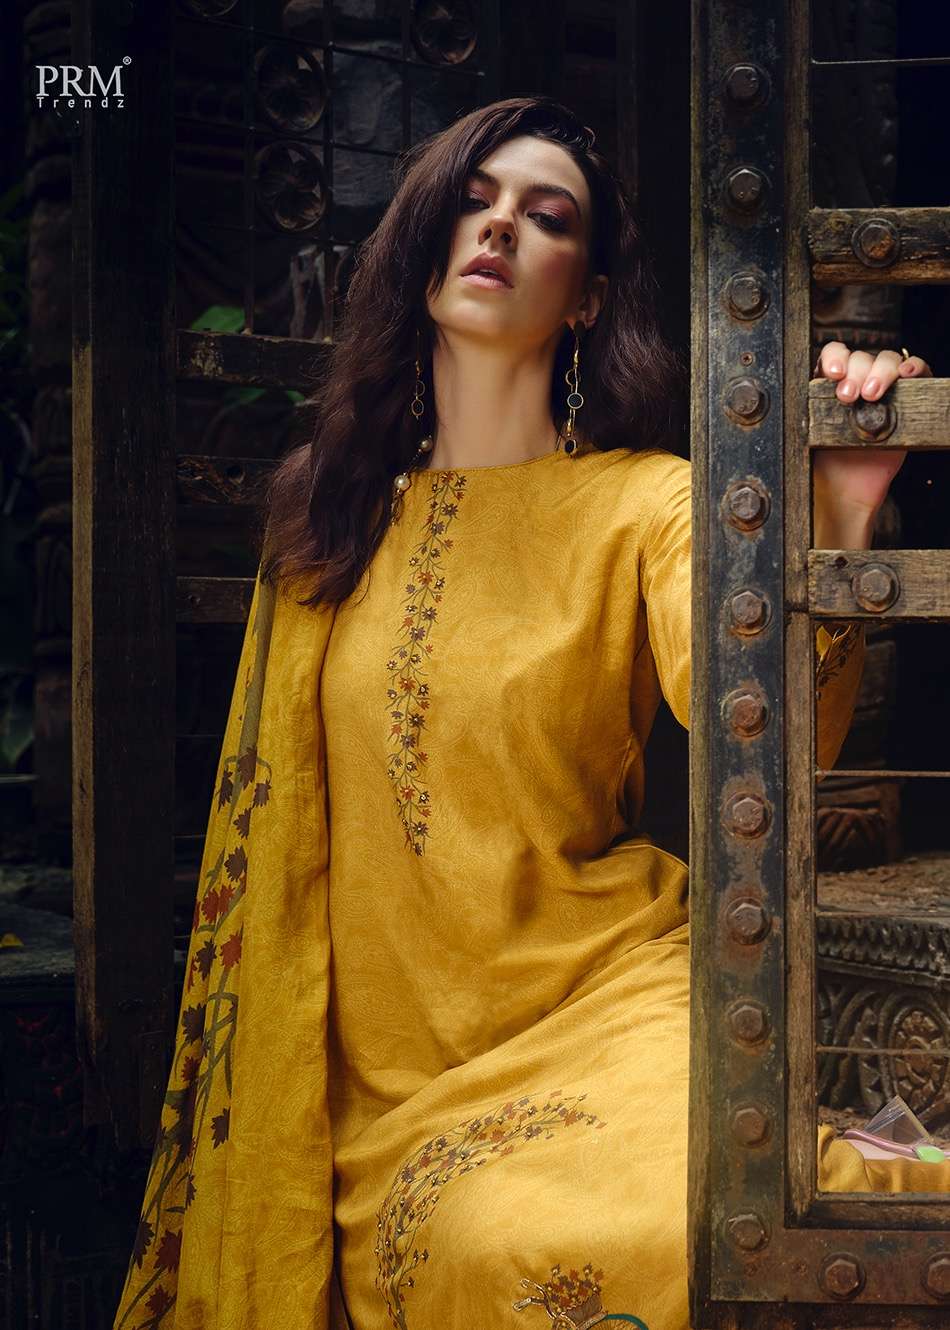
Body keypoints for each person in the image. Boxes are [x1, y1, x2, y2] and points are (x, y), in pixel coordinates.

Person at [111, 97, 949, 1330]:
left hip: (614, 1003)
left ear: (589, 297)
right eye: (472, 200)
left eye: (544, 216)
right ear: (424, 245)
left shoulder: (648, 505)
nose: (499, 226)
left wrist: (840, 509)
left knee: (717, 1223)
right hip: (400, 1096)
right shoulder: (326, 528)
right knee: (509, 1253)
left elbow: (775, 736)